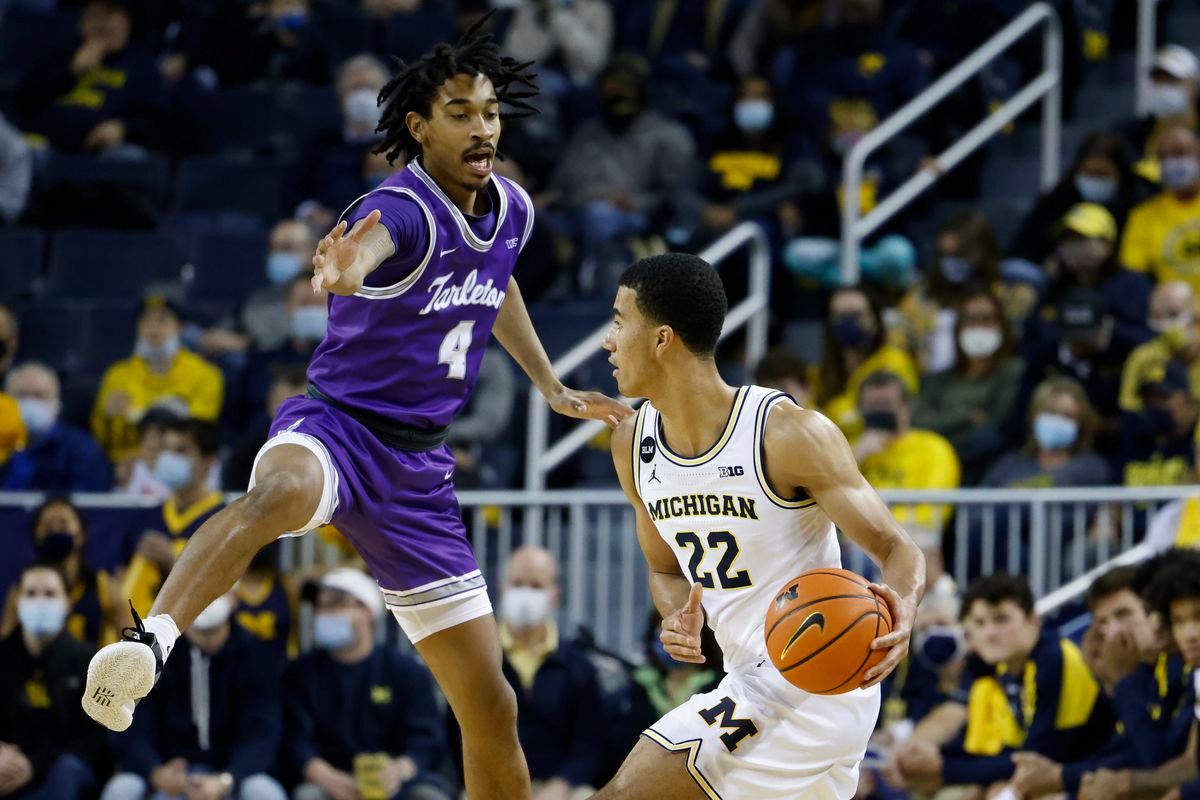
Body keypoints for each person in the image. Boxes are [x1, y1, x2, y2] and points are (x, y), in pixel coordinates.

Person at [83, 22, 630, 800]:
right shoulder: (398, 207)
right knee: (276, 497)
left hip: (419, 472)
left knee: (491, 704)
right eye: (459, 112)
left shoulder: (512, 208)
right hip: (338, 429)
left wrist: (548, 382)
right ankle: (149, 644)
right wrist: (344, 271)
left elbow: (496, 280)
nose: (481, 127)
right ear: (419, 126)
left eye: (489, 112)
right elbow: (372, 248)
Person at [596, 253, 923, 799]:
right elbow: (663, 568)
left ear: (661, 339)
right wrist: (676, 614)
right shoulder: (632, 444)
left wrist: (905, 606)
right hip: (747, 674)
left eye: (618, 320)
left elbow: (895, 546)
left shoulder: (787, 433)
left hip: (814, 676)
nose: (608, 341)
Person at [887, 573, 1114, 793]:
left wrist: (943, 768)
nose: (990, 633)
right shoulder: (1004, 669)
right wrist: (936, 755)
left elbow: (1036, 760)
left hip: (1099, 775)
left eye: (1001, 619)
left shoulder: (1055, 659)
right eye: (980, 622)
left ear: (1033, 621)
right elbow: (1005, 753)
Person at [99, 591, 287, 800]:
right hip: (168, 773)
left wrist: (227, 779)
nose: (206, 600)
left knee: (265, 793)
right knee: (121, 790)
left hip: (232, 776)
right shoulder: (151, 655)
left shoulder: (256, 656)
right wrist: (156, 772)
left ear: (236, 598)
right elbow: (128, 724)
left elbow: (263, 731)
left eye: (218, 590)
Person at [286, 568, 453, 800]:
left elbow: (428, 739)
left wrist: (400, 770)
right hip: (328, 784)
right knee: (308, 795)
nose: (324, 613)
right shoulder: (301, 673)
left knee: (428, 796)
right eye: (320, 606)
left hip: (397, 785)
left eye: (336, 605)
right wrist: (325, 776)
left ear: (367, 612)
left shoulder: (405, 671)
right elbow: (295, 739)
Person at [494, 546, 602, 799]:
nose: (525, 593)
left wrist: (559, 787)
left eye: (536, 586)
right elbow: (461, 737)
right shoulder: (481, 661)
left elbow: (588, 744)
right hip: (492, 785)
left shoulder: (578, 665)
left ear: (554, 594)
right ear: (502, 588)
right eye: (517, 583)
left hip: (563, 789)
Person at [0, 565, 105, 800]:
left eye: (49, 594)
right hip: (8, 765)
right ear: (16, 600)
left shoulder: (90, 663)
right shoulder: (3, 656)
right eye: (31, 594)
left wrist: (33, 765)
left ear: (68, 603)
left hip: (64, 768)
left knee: (65, 771)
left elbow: (93, 740)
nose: (40, 602)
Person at [91, 294, 224, 464]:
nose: (153, 330)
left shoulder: (206, 375)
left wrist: (137, 415)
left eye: (162, 321)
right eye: (145, 322)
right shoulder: (117, 375)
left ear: (180, 327)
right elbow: (102, 439)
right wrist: (106, 417)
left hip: (182, 465)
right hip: (127, 468)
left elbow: (199, 434)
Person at [119, 418, 225, 623]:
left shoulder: (225, 520)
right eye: (166, 449)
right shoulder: (145, 518)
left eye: (181, 451)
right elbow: (120, 578)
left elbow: (230, 589)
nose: (168, 458)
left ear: (208, 461)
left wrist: (173, 561)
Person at [913, 289, 1023, 483]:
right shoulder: (937, 380)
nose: (979, 326)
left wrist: (943, 421)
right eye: (970, 319)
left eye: (987, 319)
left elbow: (995, 422)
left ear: (1002, 326)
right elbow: (918, 423)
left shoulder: (1012, 371)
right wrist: (966, 416)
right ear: (958, 328)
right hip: (937, 465)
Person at [1008, 133, 1150, 265]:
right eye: (1088, 173)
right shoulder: (1058, 197)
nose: (1095, 180)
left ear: (1121, 175)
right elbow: (1028, 245)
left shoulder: (1139, 204)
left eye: (1102, 174)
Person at [1, 497, 120, 647]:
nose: (56, 530)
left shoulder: (104, 586)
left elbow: (134, 644)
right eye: (48, 526)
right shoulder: (21, 588)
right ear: (36, 536)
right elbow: (5, 644)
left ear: (81, 533)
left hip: (90, 667)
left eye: (63, 524)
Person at [855, 370, 961, 529]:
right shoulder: (852, 449)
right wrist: (855, 455)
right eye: (871, 406)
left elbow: (932, 513)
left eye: (886, 405)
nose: (879, 412)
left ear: (906, 407)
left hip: (910, 538)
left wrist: (871, 528)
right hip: (854, 544)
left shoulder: (934, 448)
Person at [816, 284, 919, 438]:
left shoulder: (893, 360)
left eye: (857, 315)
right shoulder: (819, 373)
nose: (848, 323)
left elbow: (891, 415)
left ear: (874, 321)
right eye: (841, 316)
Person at [983, 376, 1110, 489]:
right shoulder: (1008, 466)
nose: (1058, 421)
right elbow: (979, 509)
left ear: (1081, 423)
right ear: (1033, 417)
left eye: (1067, 416)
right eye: (1051, 412)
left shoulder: (1092, 468)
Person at [2, 362, 112, 492]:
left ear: (57, 403)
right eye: (21, 396)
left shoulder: (82, 449)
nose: (29, 404)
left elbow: (91, 504)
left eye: (39, 396)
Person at [1119, 124, 1200, 295]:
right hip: (1172, 314)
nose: (1172, 162)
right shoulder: (1142, 216)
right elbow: (1133, 276)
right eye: (1163, 157)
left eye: (1180, 153)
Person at [1116, 44, 1200, 184]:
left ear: (1194, 85)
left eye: (1172, 80)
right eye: (1159, 81)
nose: (1164, 88)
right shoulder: (1130, 134)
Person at [1119, 281, 1200, 412]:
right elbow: (1127, 404)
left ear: (1195, 314)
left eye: (1173, 314)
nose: (1165, 324)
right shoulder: (1142, 356)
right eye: (1157, 316)